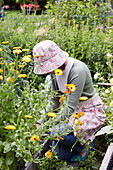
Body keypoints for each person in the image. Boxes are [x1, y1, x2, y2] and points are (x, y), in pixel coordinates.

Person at [33, 40, 106, 162]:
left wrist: (46, 127)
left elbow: (69, 109)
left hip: (88, 112)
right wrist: (40, 122)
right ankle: (74, 142)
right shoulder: (55, 72)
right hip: (71, 113)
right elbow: (54, 101)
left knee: (54, 132)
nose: (48, 71)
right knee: (62, 156)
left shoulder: (77, 71)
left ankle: (83, 145)